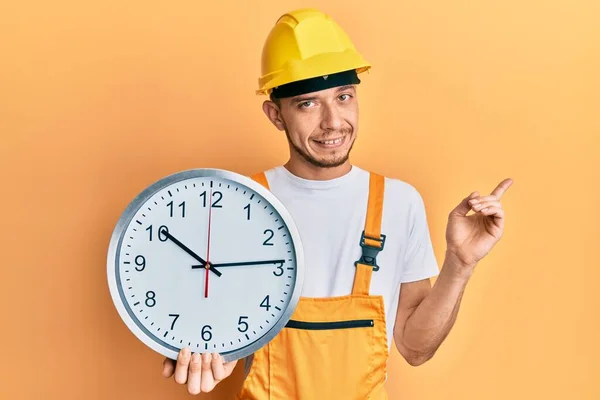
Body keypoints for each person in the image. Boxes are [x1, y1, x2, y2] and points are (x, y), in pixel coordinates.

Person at [161, 8, 513, 398]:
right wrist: (206, 357)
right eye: (308, 104)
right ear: (275, 114)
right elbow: (210, 333)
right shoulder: (241, 204)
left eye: (343, 97)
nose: (333, 122)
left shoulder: (398, 202)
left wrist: (460, 264)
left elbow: (415, 349)